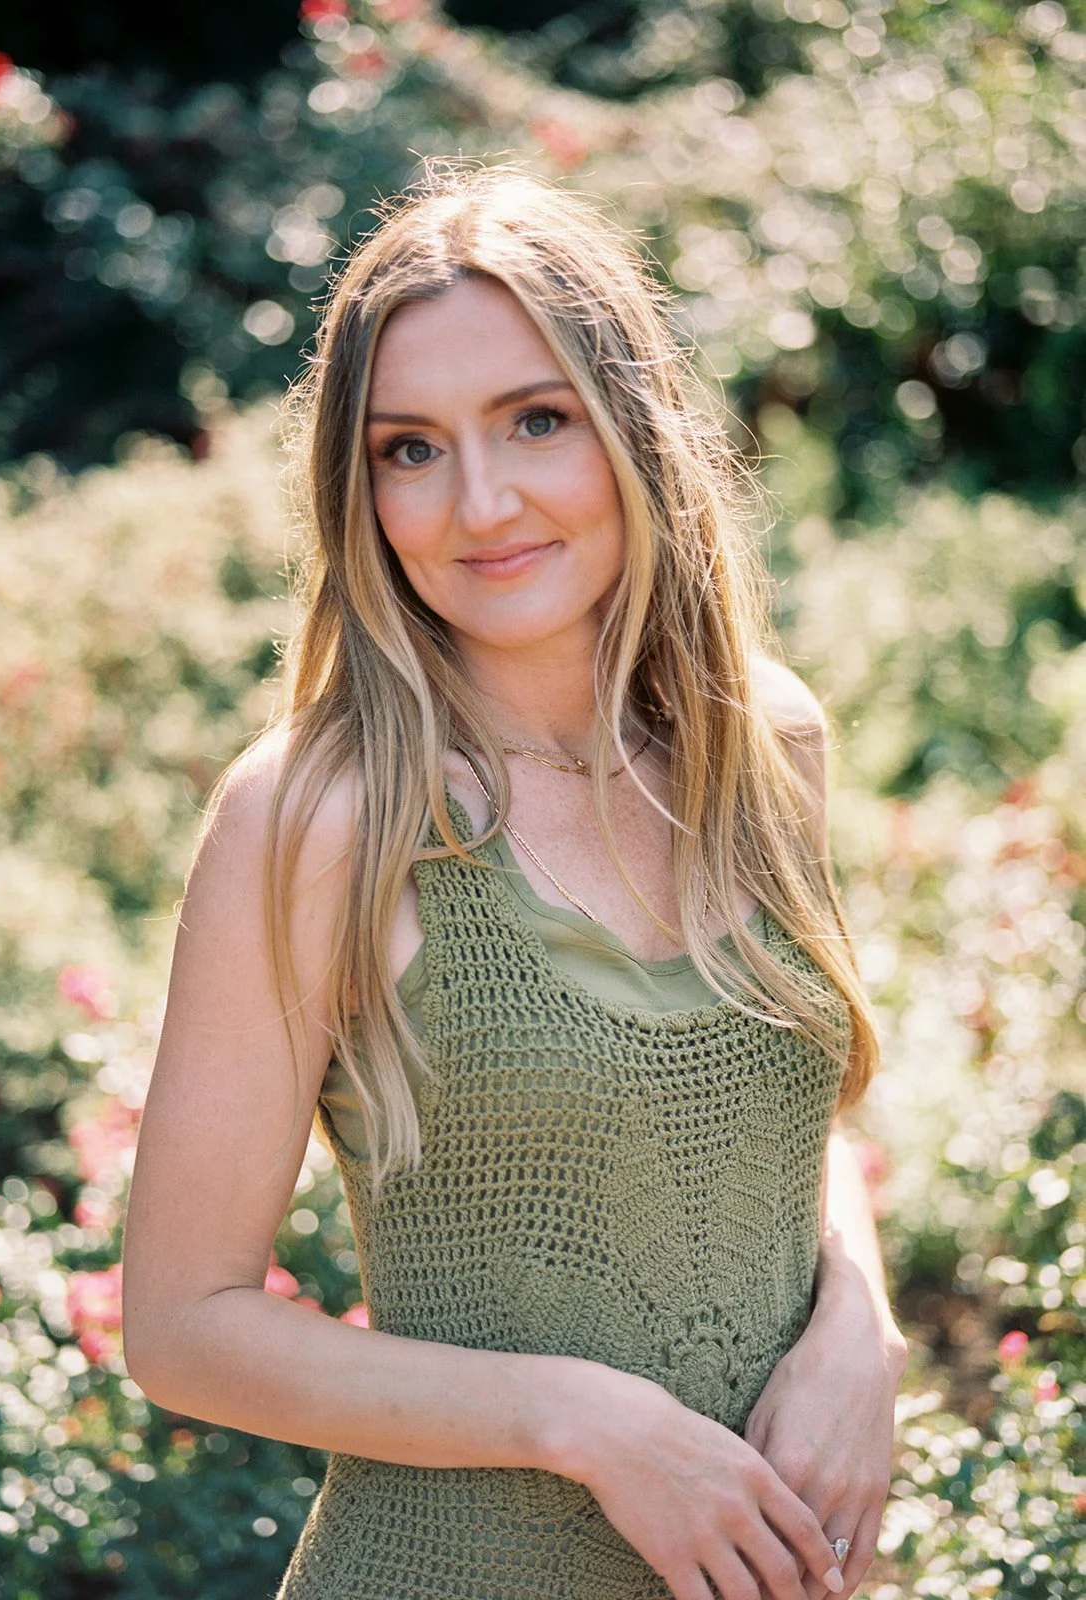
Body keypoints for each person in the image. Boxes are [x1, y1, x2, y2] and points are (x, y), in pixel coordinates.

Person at [121, 159, 908, 1600]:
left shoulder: (763, 746)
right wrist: (582, 1423)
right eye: (408, 448)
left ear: (633, 432)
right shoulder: (320, 816)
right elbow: (183, 1325)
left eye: (535, 421)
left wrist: (859, 1325)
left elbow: (773, 1125)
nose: (479, 503)